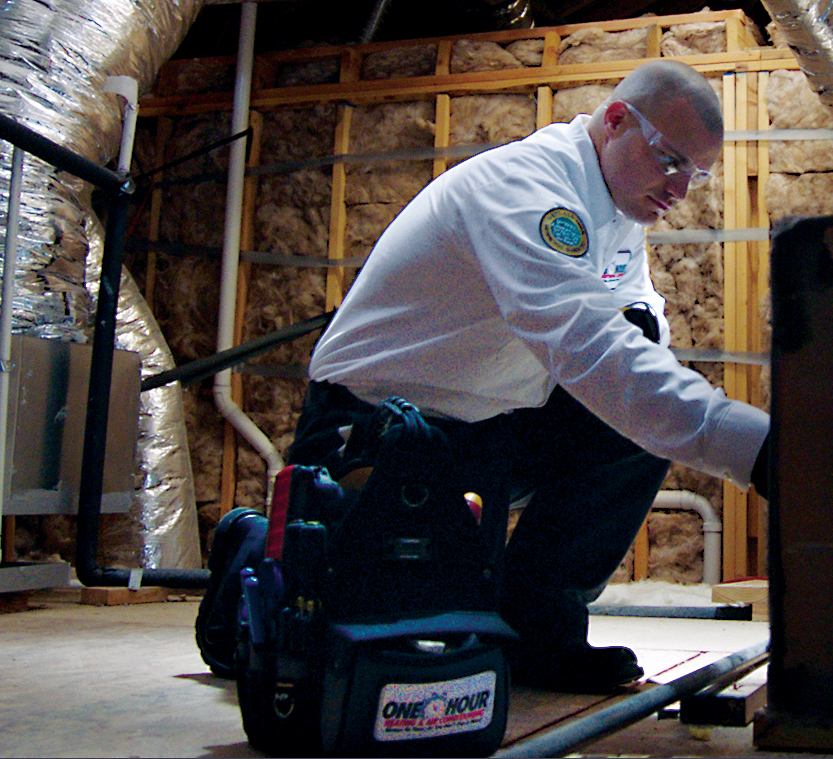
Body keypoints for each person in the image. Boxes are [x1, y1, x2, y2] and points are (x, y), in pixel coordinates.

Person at [291, 58, 772, 693]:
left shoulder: (618, 212)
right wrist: (757, 449)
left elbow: (635, 325)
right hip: (374, 422)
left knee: (629, 429)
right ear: (617, 120)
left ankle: (539, 630)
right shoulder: (528, 189)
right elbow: (588, 345)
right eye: (671, 161)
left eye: (696, 174)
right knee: (366, 640)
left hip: (484, 426)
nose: (680, 189)